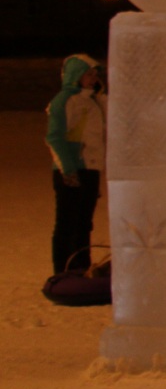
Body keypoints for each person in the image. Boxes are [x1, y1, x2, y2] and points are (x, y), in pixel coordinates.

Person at [46, 54, 106, 274]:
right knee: (66, 225)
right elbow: (54, 137)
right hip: (71, 171)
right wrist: (68, 170)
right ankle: (62, 272)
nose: (93, 78)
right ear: (76, 75)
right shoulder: (64, 101)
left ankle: (82, 268)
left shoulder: (94, 101)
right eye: (88, 74)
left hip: (90, 170)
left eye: (95, 74)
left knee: (84, 224)